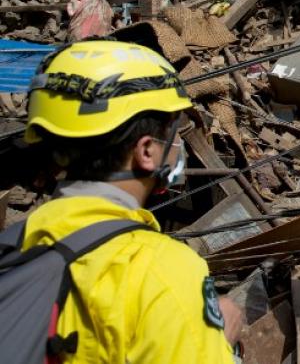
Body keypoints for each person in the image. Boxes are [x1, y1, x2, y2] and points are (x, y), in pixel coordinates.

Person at [17, 39, 242, 362]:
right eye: (175, 130)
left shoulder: (18, 243)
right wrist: (223, 344)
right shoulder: (159, 269)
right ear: (147, 151)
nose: (179, 143)